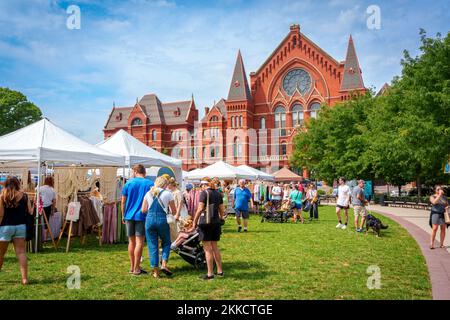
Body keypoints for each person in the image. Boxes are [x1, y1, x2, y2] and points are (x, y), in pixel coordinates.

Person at [121, 164, 154, 276]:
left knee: (131, 242)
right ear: (144, 172)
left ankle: (132, 267)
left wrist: (123, 215)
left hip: (129, 215)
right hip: (142, 216)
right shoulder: (150, 184)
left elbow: (123, 201)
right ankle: (136, 268)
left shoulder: (128, 183)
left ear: (135, 171)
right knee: (139, 242)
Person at [0, 177, 33, 285]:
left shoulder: (2, 195)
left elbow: (1, 214)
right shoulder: (24, 195)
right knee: (21, 253)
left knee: (1, 253)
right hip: (20, 226)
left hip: (5, 227)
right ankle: (24, 279)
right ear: (18, 184)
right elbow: (30, 211)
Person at [190, 177, 224, 280]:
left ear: (204, 185)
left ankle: (210, 274)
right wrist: (221, 218)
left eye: (201, 186)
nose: (200, 188)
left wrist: (194, 221)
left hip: (205, 223)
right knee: (215, 247)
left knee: (207, 249)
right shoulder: (218, 193)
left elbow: (200, 209)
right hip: (216, 222)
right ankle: (220, 271)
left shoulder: (204, 193)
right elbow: (222, 209)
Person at [142, 176, 177, 278]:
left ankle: (156, 272)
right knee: (166, 242)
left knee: (152, 245)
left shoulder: (148, 193)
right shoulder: (168, 193)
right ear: (165, 184)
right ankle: (164, 264)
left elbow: (143, 210)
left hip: (150, 219)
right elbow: (174, 211)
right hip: (162, 220)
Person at [38, 176, 56, 241]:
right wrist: (53, 210)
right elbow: (54, 201)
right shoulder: (52, 189)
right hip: (48, 207)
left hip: (40, 206)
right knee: (46, 222)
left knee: (38, 221)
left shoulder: (40, 188)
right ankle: (45, 238)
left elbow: (36, 197)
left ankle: (39, 236)